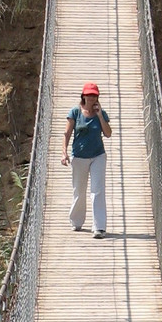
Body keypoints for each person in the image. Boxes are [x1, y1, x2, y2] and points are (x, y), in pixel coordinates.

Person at [62, 82, 112, 238]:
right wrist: (64, 153)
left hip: (98, 155)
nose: (91, 98)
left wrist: (99, 115)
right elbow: (67, 134)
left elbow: (108, 133)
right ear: (83, 96)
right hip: (79, 157)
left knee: (97, 191)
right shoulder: (75, 112)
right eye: (89, 95)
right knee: (79, 190)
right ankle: (76, 221)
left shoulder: (101, 114)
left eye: (94, 95)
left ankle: (99, 227)